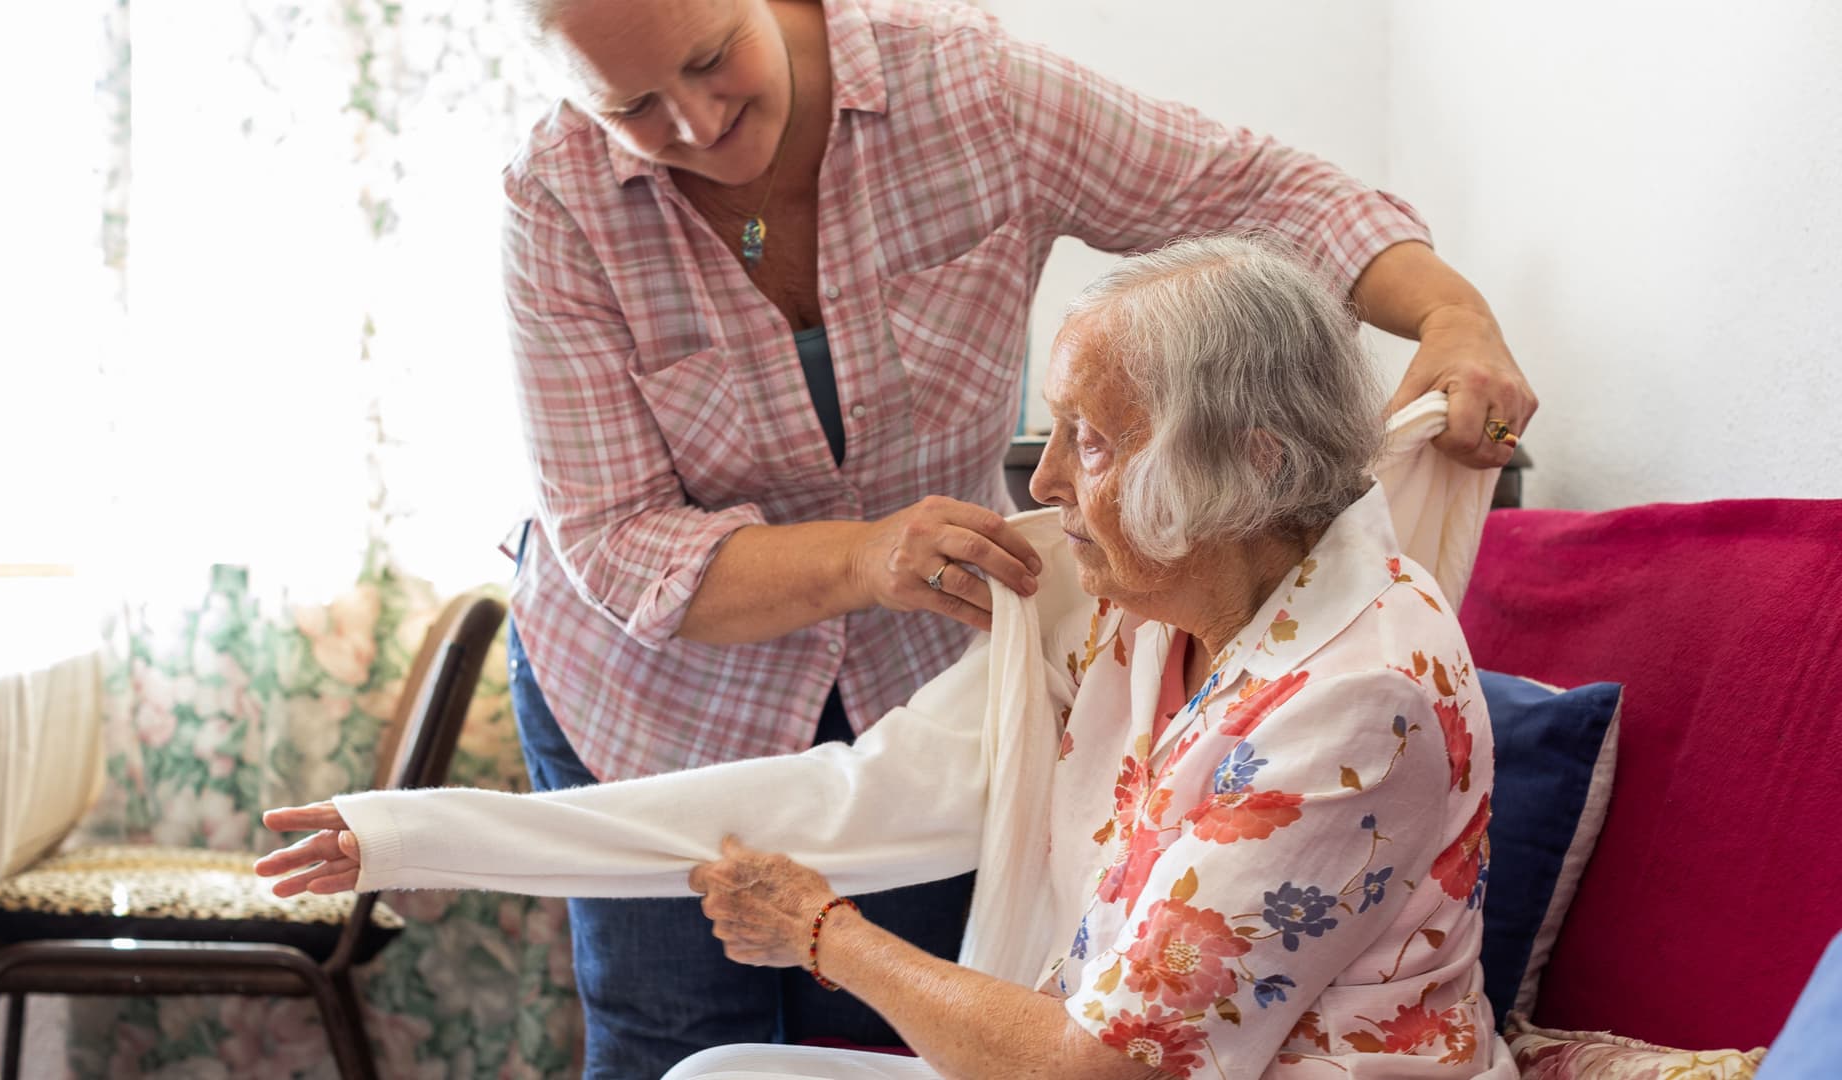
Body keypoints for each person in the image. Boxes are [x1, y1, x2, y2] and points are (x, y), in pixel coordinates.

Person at [499, 0, 1533, 1070]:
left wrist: (1452, 317)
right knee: (667, 1038)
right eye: (633, 109)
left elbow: (1259, 192)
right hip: (657, 687)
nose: (699, 121)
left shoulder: (971, 90)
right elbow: (620, 538)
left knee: (912, 1009)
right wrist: (860, 558)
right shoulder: (556, 201)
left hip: (924, 645)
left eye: (714, 60)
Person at [261, 236, 1518, 1077]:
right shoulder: (1140, 608)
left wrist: (827, 938)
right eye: (1056, 430)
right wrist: (409, 833)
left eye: (1092, 437)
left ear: (1248, 463)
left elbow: (1103, 1071)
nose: (1044, 478)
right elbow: (843, 798)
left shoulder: (1359, 699)